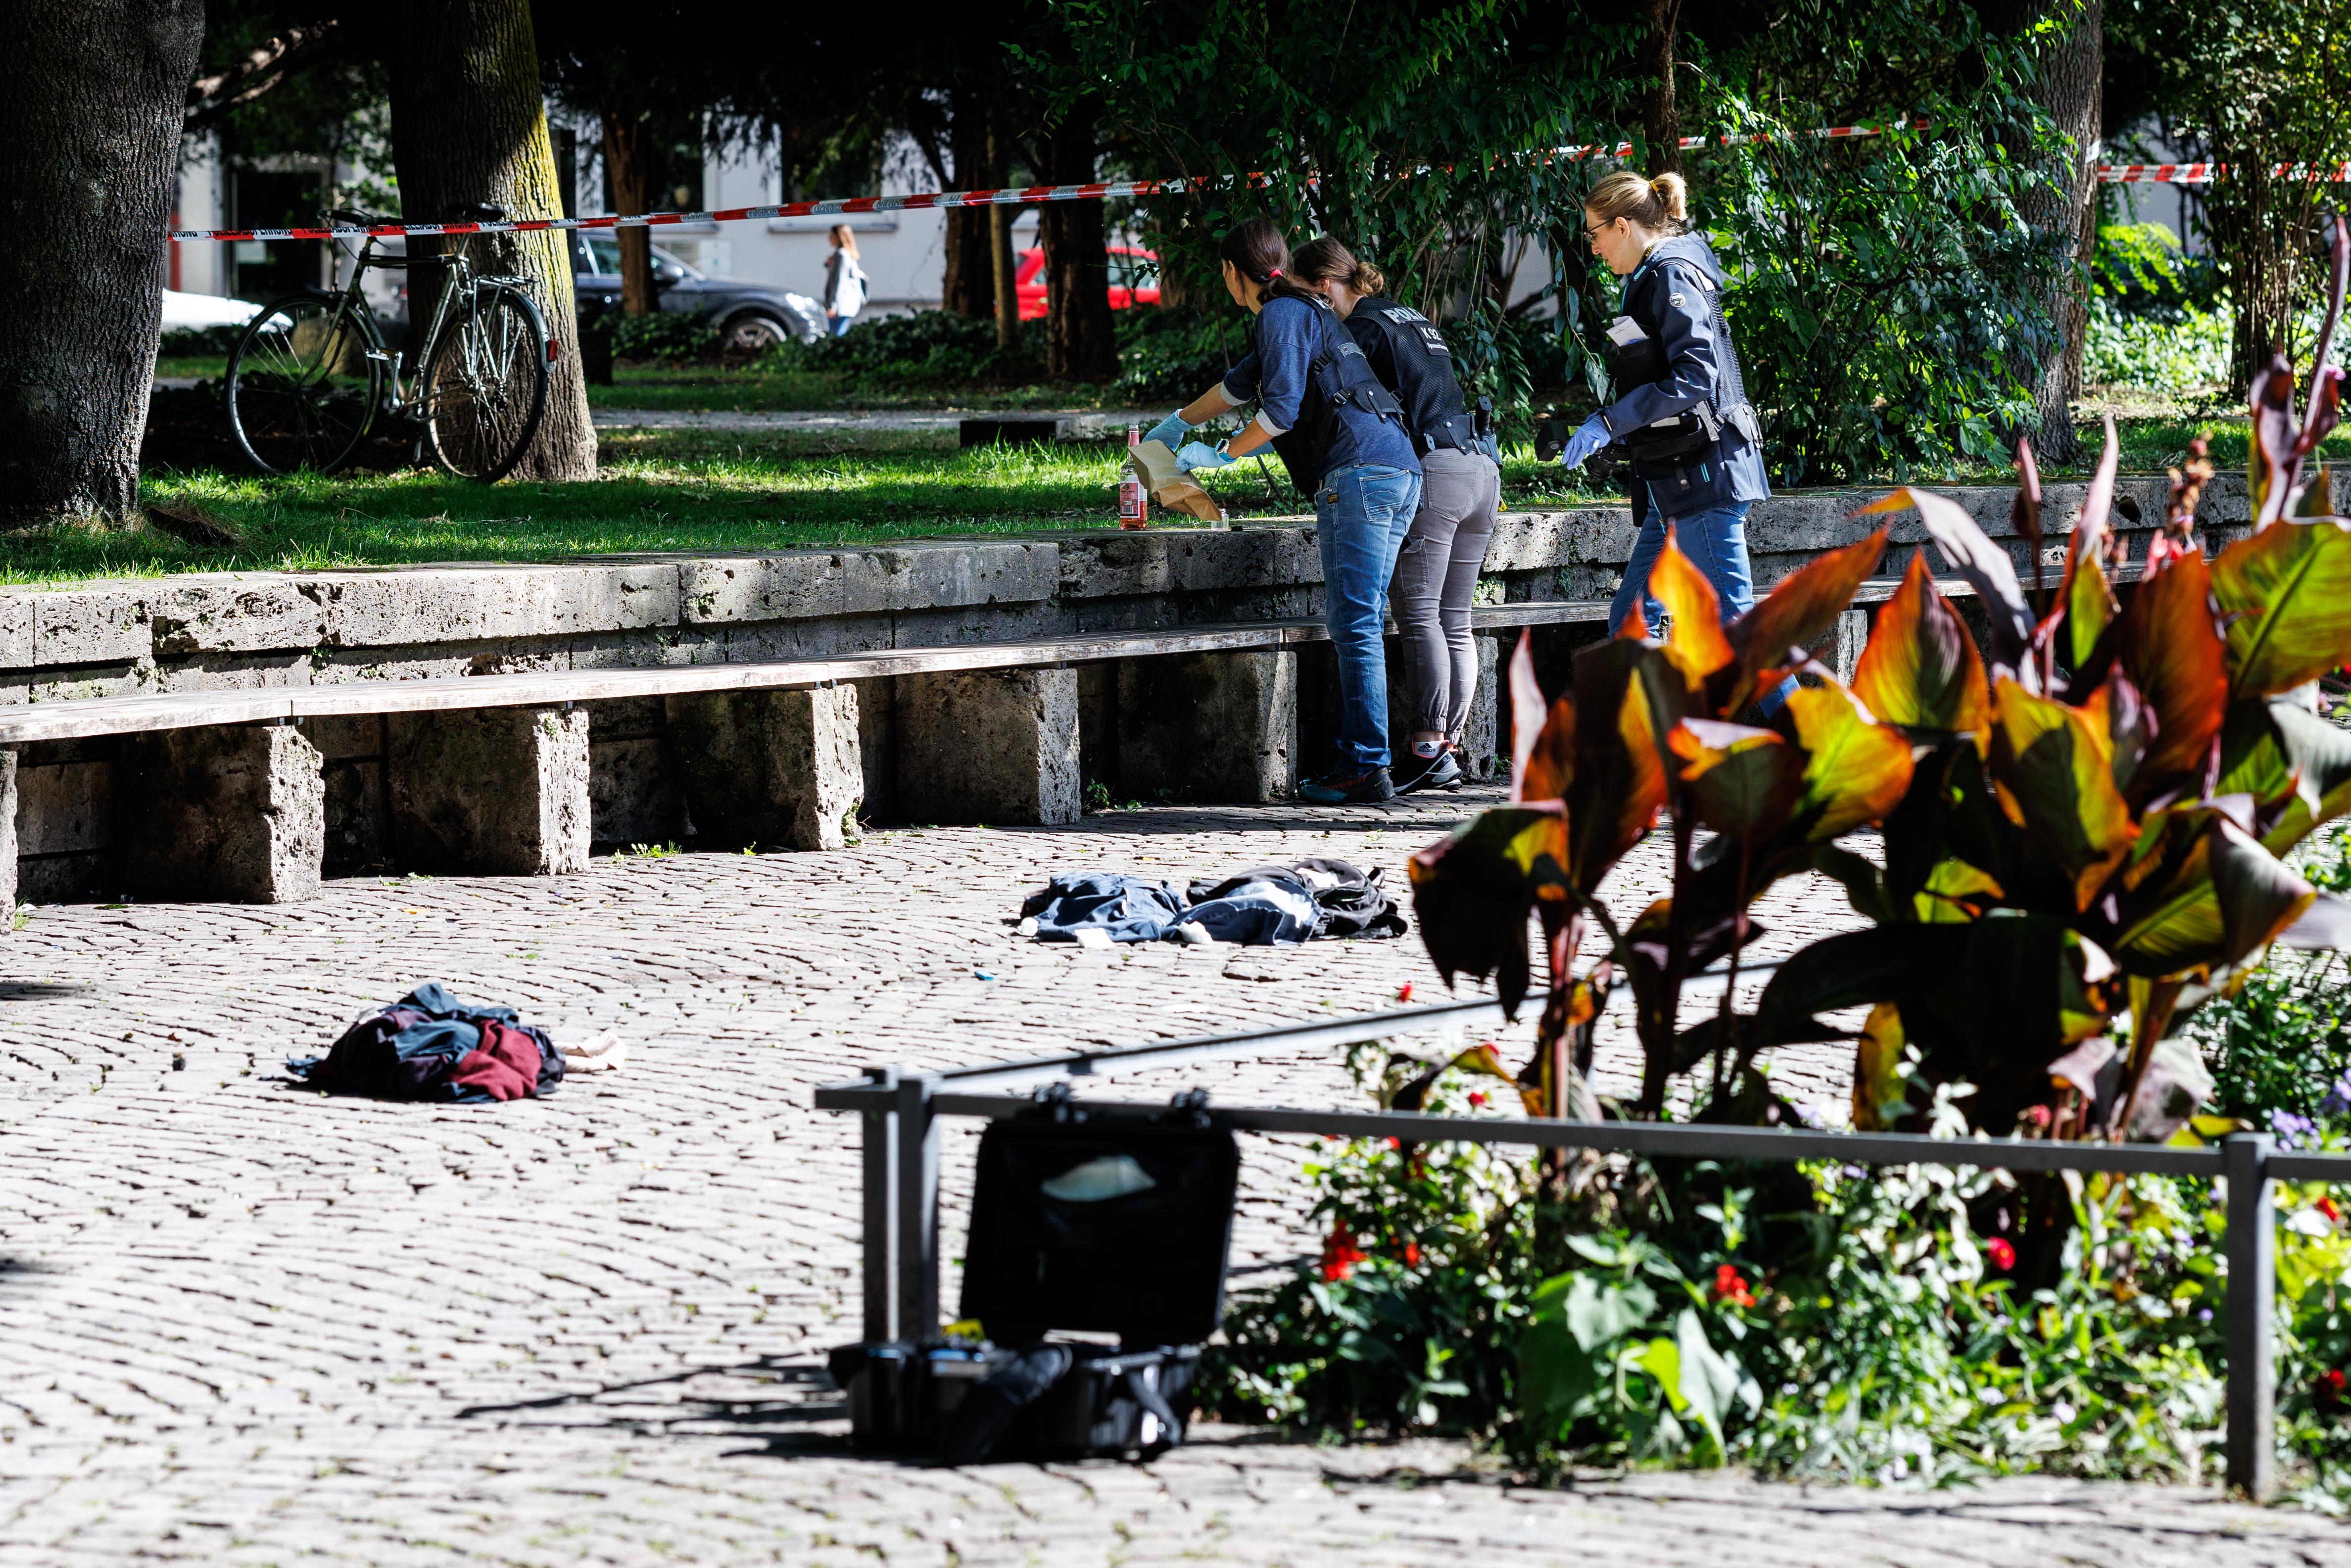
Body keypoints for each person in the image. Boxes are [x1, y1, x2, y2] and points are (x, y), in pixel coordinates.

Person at [1143, 219, 1423, 805]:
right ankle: (1365, 761)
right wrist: (1173, 427)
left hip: (1360, 474)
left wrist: (1222, 455)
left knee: (1355, 624)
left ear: (1230, 273)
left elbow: (1281, 413)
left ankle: (1365, 767)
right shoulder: (1303, 310)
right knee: (1364, 618)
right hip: (1398, 469)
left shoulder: (1279, 315)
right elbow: (1236, 388)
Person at [1292, 236, 1498, 795]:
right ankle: (1445, 748)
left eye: (1311, 296)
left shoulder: (1358, 328)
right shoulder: (1409, 315)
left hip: (1434, 468)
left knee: (1420, 613)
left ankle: (1428, 747)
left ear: (1326, 285)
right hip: (1480, 464)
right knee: (1455, 617)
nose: (1314, 311)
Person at [1557, 170, 1769, 642]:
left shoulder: (1670, 271)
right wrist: (1614, 430)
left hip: (1705, 479)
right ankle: (1654, 717)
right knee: (1631, 624)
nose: (1592, 247)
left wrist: (1610, 421)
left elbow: (1696, 376)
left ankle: (1796, 719)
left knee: (1739, 635)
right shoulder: (1655, 273)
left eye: (1593, 233)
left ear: (1621, 226)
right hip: (1674, 481)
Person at [822, 225, 867, 336]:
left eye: (831, 236)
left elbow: (839, 281)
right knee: (838, 336)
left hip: (841, 305)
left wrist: (833, 306)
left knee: (836, 337)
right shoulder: (847, 254)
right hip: (847, 304)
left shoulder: (842, 255)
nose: (829, 239)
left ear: (839, 237)